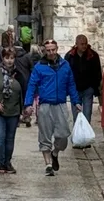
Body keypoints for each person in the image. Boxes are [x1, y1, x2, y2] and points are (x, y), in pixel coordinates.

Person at [24, 39, 81, 177]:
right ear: (44, 51)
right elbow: (32, 86)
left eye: (53, 50)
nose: (51, 52)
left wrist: (76, 101)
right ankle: (48, 164)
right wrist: (28, 104)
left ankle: (55, 153)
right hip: (45, 105)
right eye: (48, 50)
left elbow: (71, 84)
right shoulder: (39, 67)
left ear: (57, 49)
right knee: (45, 135)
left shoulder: (65, 65)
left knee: (63, 136)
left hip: (61, 104)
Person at [65, 34, 102, 126]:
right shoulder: (69, 56)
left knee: (87, 113)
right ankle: (78, 132)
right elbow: (66, 73)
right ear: (76, 44)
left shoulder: (93, 56)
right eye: (82, 44)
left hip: (88, 89)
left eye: (85, 44)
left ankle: (86, 132)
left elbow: (98, 72)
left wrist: (95, 87)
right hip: (75, 89)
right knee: (75, 114)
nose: (84, 46)